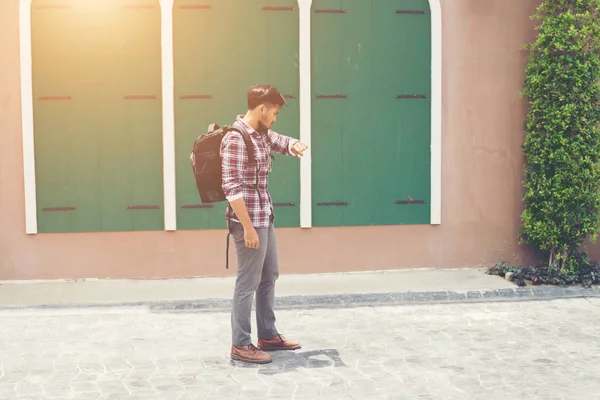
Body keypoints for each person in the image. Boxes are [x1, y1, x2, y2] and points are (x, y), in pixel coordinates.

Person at [220, 84, 309, 364]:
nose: (275, 117)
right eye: (274, 111)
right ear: (261, 108)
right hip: (247, 221)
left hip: (264, 215)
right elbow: (231, 187)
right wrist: (247, 228)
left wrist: (293, 144)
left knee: (269, 275)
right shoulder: (235, 138)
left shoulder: (260, 134)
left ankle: (267, 334)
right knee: (247, 282)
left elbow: (277, 140)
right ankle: (241, 343)